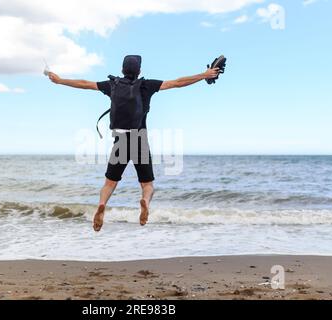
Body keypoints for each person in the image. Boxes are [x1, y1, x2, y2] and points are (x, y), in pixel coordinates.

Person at [48, 55, 220, 232]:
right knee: (147, 185)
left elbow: (84, 83)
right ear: (139, 71)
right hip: (139, 139)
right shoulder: (147, 86)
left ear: (122, 70)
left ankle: (101, 204)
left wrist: (60, 80)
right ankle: (145, 202)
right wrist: (203, 75)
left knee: (109, 183)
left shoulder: (112, 85)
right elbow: (177, 82)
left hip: (120, 139)